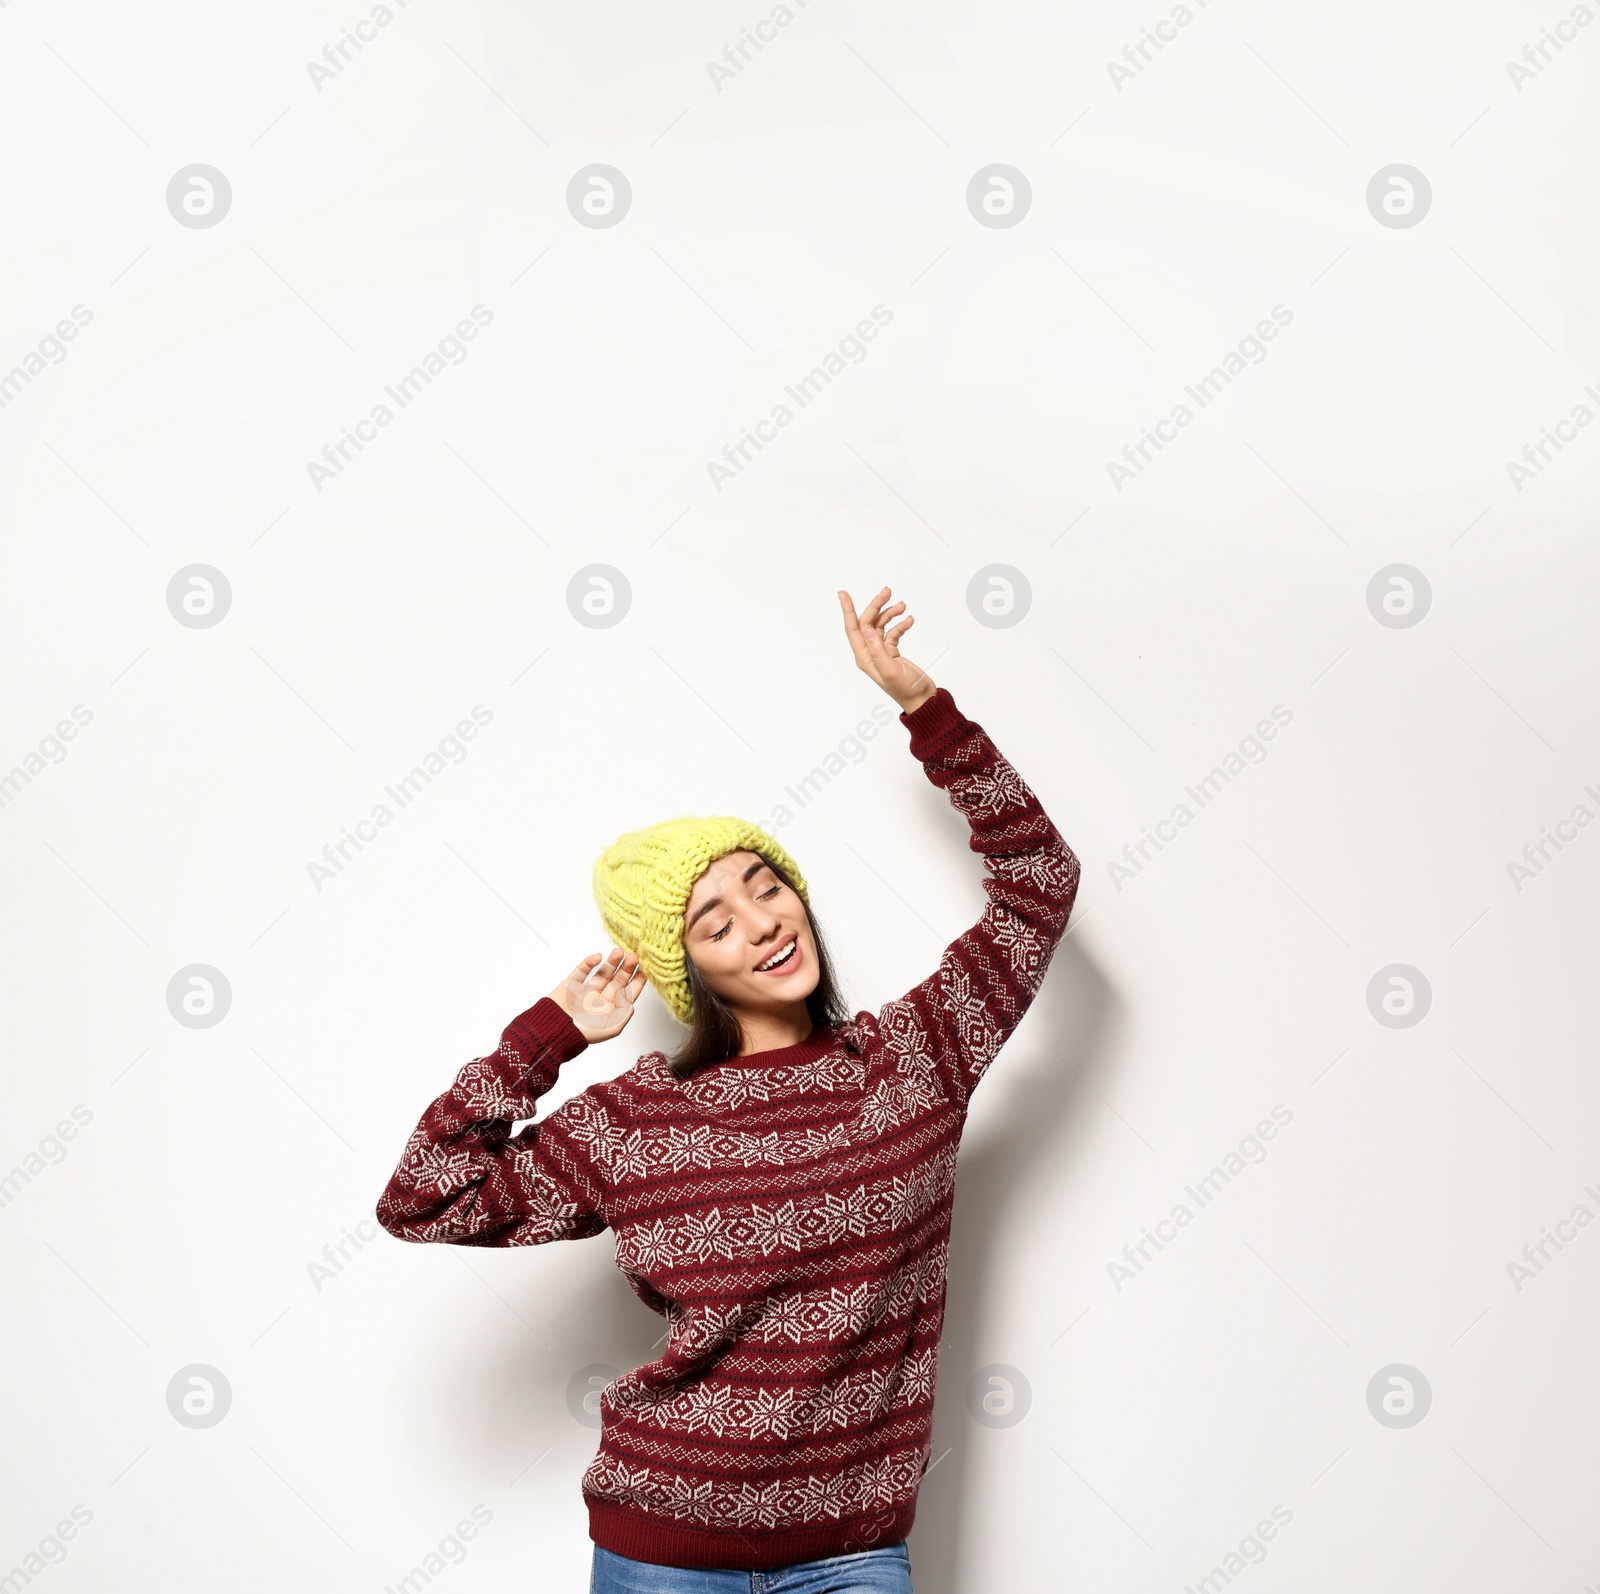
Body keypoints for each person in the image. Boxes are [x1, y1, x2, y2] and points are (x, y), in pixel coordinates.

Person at [376, 585, 1081, 1592]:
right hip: (661, 1550)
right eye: (714, 922)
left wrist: (926, 709)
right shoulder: (635, 1121)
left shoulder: (912, 1061)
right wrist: (550, 1035)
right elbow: (423, 1197)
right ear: (688, 971)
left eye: (764, 883)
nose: (758, 922)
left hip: (852, 1554)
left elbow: (1038, 883)